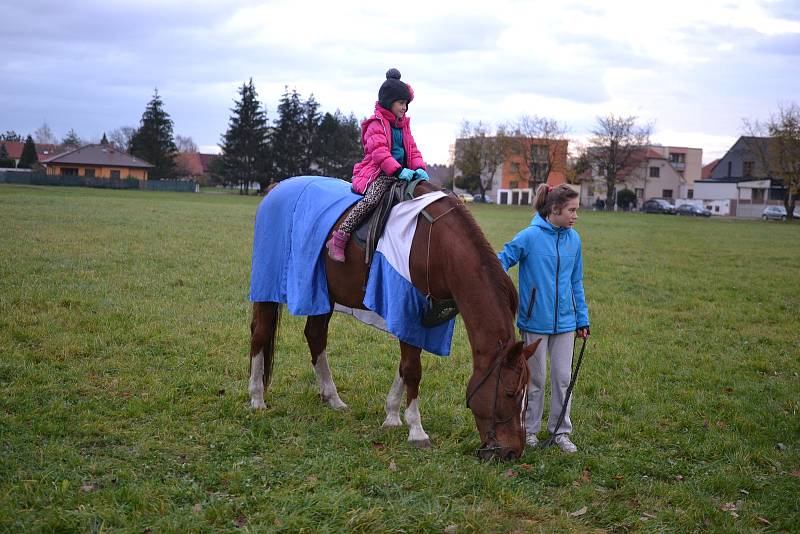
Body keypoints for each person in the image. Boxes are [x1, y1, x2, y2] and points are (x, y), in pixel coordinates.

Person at [497, 184, 590, 453]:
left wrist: (581, 319)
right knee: (535, 381)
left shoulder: (575, 240)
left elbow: (576, 282)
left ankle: (561, 432)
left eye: (577, 210)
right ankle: (529, 432)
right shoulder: (529, 237)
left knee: (563, 379)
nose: (575, 216)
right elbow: (502, 260)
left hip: (566, 323)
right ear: (555, 209)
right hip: (534, 321)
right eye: (572, 210)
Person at [326, 68, 428, 262]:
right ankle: (340, 236)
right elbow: (380, 152)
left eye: (406, 103)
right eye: (400, 103)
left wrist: (419, 168)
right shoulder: (376, 124)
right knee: (372, 200)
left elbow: (412, 149)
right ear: (389, 102)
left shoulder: (404, 126)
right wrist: (398, 170)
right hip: (379, 173)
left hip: (402, 174)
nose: (404, 107)